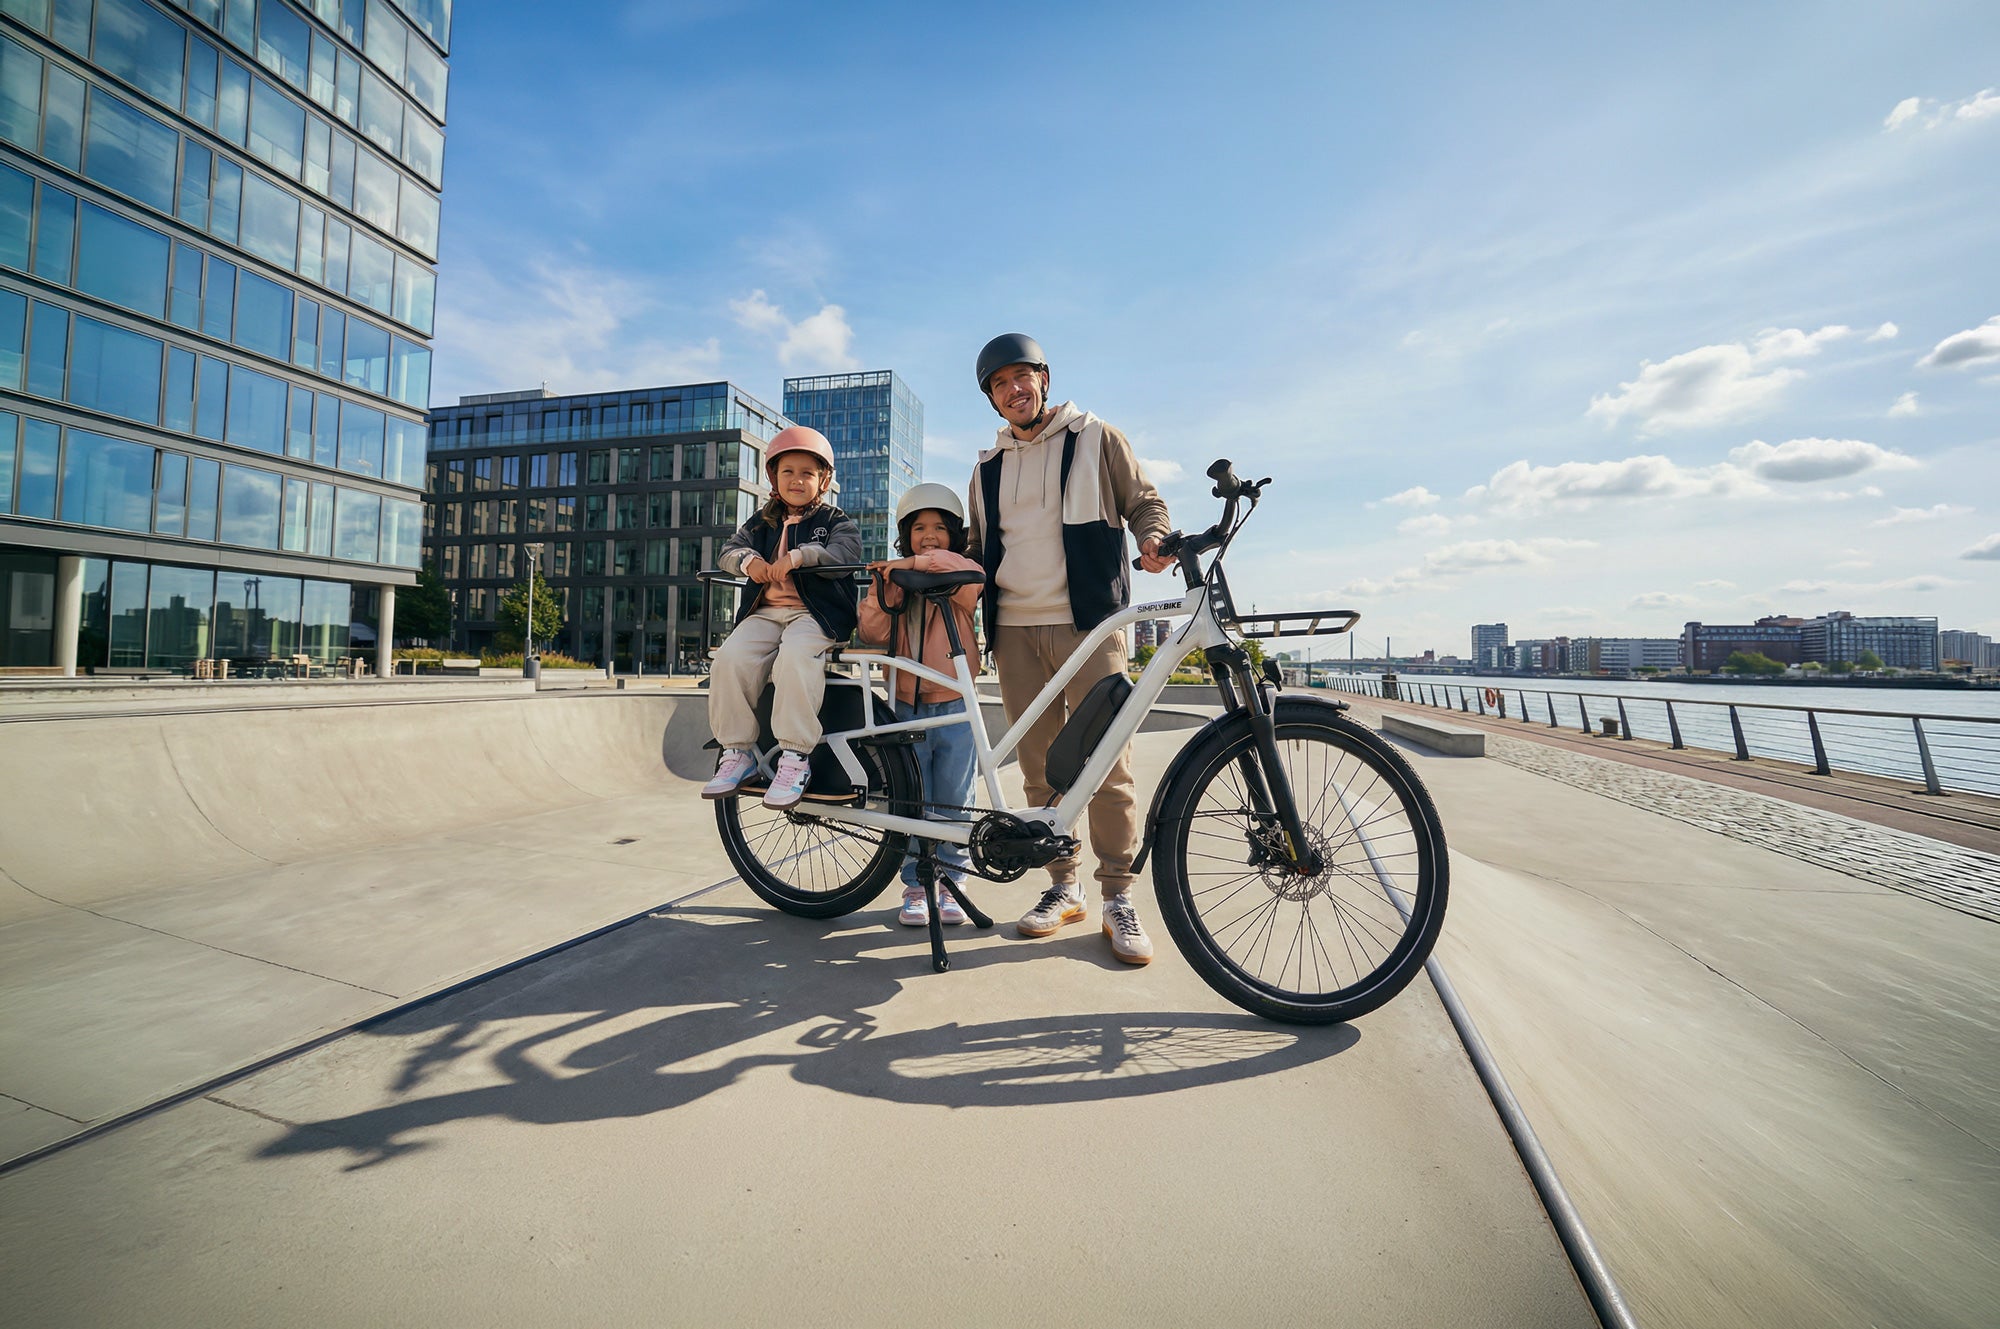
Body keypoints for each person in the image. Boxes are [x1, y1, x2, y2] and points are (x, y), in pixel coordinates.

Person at [966, 333, 1173, 965]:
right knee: (1038, 768)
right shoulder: (987, 467)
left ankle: (1117, 894)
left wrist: (1155, 539)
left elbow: (1145, 502)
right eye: (1000, 384)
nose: (1013, 390)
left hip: (1090, 625)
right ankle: (1063, 887)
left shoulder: (1095, 437)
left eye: (1022, 377)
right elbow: (977, 550)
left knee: (1108, 763)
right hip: (1015, 632)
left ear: (1044, 379)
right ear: (992, 398)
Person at [702, 426, 862, 809]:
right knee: (729, 659)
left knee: (794, 658)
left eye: (807, 473)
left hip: (814, 614)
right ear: (774, 478)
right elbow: (728, 552)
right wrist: (748, 561)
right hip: (767, 613)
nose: (796, 480)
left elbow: (846, 552)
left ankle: (795, 756)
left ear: (822, 480)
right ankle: (737, 751)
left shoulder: (835, 520)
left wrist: (802, 556)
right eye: (787, 472)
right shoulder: (762, 523)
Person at [857, 483, 985, 929]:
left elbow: (962, 569)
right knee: (911, 800)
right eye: (917, 529)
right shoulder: (899, 580)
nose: (928, 536)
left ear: (953, 533)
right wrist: (883, 586)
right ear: (904, 533)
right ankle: (916, 882)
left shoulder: (961, 575)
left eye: (938, 528)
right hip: (905, 706)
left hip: (953, 705)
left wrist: (912, 565)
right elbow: (873, 633)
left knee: (953, 798)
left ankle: (952, 879)